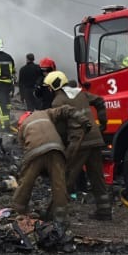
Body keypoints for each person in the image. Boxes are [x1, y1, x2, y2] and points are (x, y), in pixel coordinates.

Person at [47, 70, 111, 220]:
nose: (48, 90)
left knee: (67, 177)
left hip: (79, 143)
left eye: (49, 87)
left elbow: (61, 129)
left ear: (54, 86)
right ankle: (105, 211)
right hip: (95, 140)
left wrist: (63, 145)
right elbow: (100, 101)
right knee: (97, 176)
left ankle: (55, 215)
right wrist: (103, 123)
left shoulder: (58, 101)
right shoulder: (80, 93)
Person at [11, 106, 90, 222]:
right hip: (56, 149)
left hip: (34, 152)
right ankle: (59, 217)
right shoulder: (45, 113)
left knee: (26, 182)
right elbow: (66, 109)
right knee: (59, 184)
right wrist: (83, 120)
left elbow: (24, 148)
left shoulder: (23, 126)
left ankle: (17, 212)